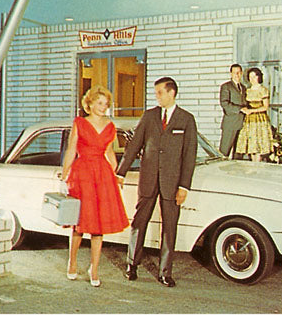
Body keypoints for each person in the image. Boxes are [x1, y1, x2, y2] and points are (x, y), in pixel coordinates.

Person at [116, 77, 197, 287]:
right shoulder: (149, 116)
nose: (156, 96)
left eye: (160, 92)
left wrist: (184, 186)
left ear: (172, 93)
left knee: (170, 228)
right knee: (139, 222)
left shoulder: (186, 119)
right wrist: (121, 172)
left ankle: (165, 273)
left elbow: (189, 155)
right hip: (149, 179)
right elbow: (134, 146)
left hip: (172, 183)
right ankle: (132, 264)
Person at [61, 85, 129, 287]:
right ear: (89, 104)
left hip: (102, 175)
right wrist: (64, 175)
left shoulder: (110, 125)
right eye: (99, 103)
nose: (103, 107)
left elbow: (109, 151)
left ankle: (95, 268)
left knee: (98, 227)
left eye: (106, 104)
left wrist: (116, 172)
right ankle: (72, 262)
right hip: (82, 174)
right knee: (79, 224)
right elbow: (71, 150)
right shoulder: (80, 123)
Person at [235, 67, 273, 162]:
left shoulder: (263, 90)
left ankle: (258, 163)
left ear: (259, 77)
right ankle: (253, 163)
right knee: (252, 144)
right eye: (250, 77)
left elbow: (265, 107)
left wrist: (252, 111)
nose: (252, 79)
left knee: (259, 143)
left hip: (260, 119)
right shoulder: (247, 91)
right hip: (249, 120)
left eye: (254, 76)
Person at [219, 64, 248, 159]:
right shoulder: (226, 86)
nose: (237, 75)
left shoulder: (244, 87)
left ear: (242, 73)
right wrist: (240, 109)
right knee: (224, 152)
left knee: (239, 152)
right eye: (235, 72)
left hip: (242, 124)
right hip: (230, 124)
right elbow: (224, 103)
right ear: (231, 74)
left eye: (239, 72)